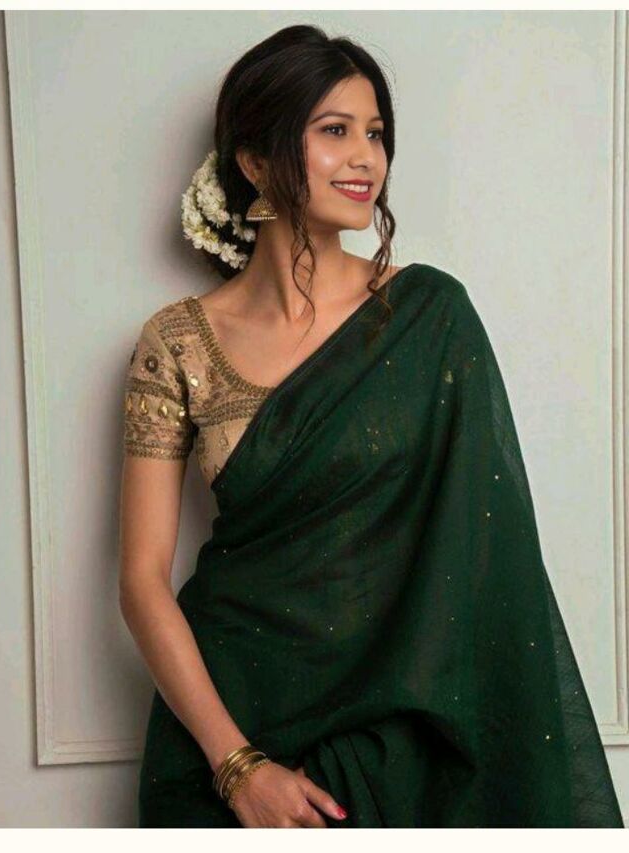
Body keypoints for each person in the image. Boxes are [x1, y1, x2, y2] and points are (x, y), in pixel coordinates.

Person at [118, 24, 624, 828]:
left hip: (397, 740)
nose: (366, 159)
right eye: (335, 130)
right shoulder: (177, 343)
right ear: (255, 161)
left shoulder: (430, 317)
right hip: (225, 729)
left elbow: (486, 557)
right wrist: (237, 765)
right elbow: (142, 580)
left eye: (376, 134)